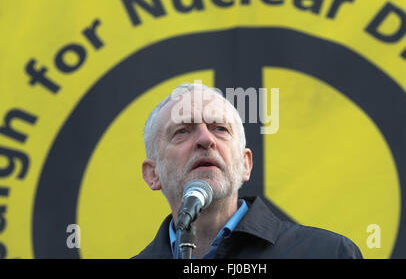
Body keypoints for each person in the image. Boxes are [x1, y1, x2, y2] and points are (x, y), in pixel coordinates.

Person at [133, 83, 362, 259]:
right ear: (152, 174)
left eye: (220, 128)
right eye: (182, 131)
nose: (205, 139)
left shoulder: (328, 253)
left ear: (246, 164)